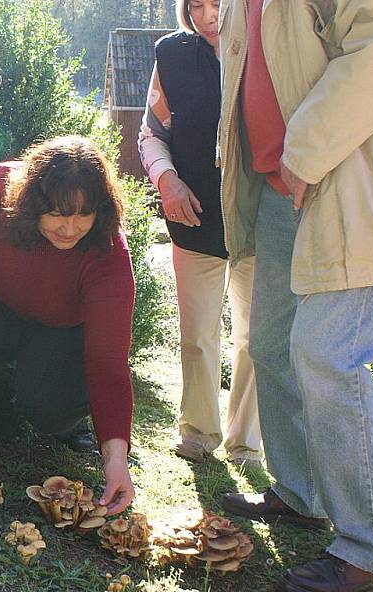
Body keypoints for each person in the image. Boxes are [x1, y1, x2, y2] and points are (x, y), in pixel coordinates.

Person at [216, 1, 373, 592]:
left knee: (325, 352)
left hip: (346, 182)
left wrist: (304, 153)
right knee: (272, 345)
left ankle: (370, 547)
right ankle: (301, 491)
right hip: (279, 192)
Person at [0, 136, 136, 514]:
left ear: (99, 212)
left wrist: (115, 459)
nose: (69, 229)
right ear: (32, 204)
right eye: (56, 214)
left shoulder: (108, 252)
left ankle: (68, 422)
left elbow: (108, 363)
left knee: (48, 408)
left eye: (82, 215)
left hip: (61, 329)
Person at [139, 0, 261, 469]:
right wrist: (168, 182)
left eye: (217, 4)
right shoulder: (170, 54)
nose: (208, 15)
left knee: (254, 340)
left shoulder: (263, 48)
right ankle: (199, 431)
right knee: (197, 335)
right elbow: (152, 133)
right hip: (194, 220)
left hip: (255, 220)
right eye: (196, 5)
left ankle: (245, 441)